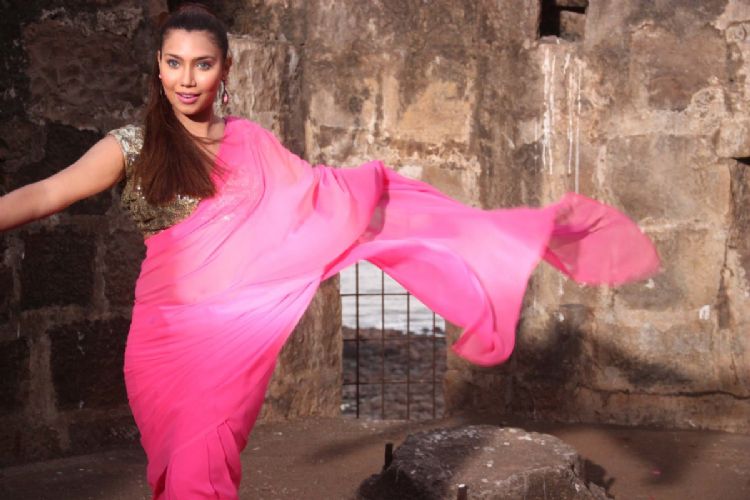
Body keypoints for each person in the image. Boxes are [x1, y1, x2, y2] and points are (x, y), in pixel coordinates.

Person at [0, 4, 660, 499]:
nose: (187, 78)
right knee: (173, 472)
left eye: (202, 63)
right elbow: (48, 192)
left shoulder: (250, 142)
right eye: (174, 63)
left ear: (224, 69)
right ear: (158, 68)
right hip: (159, 343)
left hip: (227, 347)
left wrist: (386, 198)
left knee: (202, 471)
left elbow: (317, 198)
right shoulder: (131, 146)